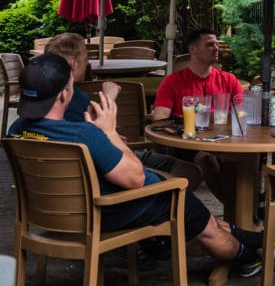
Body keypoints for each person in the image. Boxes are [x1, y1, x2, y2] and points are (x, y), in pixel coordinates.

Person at [5, 53, 275, 278]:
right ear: (64, 95)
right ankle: (251, 255)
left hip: (58, 214)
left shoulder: (16, 131)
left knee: (201, 216)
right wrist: (108, 131)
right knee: (191, 205)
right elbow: (134, 178)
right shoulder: (84, 134)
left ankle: (255, 238)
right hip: (111, 210)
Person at [44, 32, 203, 191]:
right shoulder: (66, 101)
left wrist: (108, 135)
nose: (87, 64)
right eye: (86, 60)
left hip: (106, 158)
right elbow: (91, 143)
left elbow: (88, 134)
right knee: (184, 180)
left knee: (190, 172)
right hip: (109, 166)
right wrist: (110, 100)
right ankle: (169, 208)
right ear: (73, 64)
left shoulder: (43, 105)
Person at [152, 28, 244, 204]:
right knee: (205, 158)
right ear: (192, 49)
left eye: (217, 44)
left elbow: (241, 112)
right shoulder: (173, 81)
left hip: (225, 141)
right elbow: (160, 119)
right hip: (188, 142)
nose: (216, 48)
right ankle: (235, 209)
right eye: (210, 45)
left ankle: (247, 208)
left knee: (246, 161)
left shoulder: (229, 79)